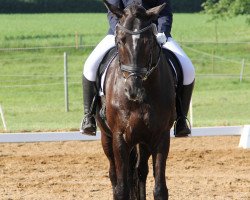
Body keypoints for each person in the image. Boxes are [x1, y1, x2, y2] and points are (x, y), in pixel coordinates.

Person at [80, 0, 195, 137]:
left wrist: (162, 32)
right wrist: (122, 30)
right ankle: (89, 116)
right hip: (122, 32)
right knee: (90, 66)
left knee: (188, 69)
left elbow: (165, 12)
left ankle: (181, 119)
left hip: (152, 34)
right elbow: (113, 12)